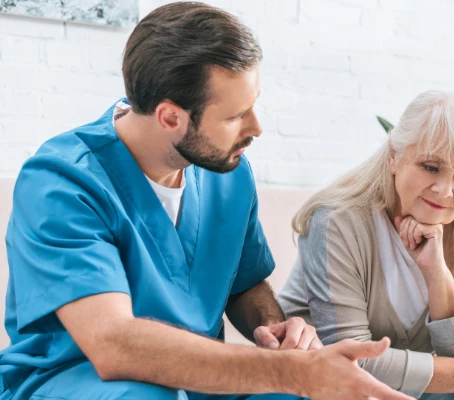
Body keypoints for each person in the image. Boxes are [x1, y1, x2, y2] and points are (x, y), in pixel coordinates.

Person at [0, 3, 411, 400]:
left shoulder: (228, 172)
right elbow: (112, 345)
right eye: (235, 117)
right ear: (170, 117)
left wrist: (275, 329)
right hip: (78, 381)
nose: (257, 128)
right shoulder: (61, 184)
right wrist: (293, 373)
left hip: (200, 380)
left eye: (253, 107)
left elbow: (243, 283)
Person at [279, 91, 454, 399]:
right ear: (394, 155)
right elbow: (351, 361)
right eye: (431, 167)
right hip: (323, 388)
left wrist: (437, 274)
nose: (445, 191)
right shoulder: (337, 221)